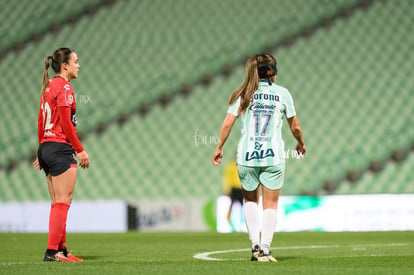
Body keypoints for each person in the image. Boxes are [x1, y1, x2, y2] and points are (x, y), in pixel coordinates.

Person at [212, 53, 306, 262]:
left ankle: (255, 245)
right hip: (273, 157)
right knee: (271, 205)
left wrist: (219, 147)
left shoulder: (244, 93)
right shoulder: (282, 94)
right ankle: (265, 248)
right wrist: (300, 143)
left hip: (247, 156)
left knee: (250, 201)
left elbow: (227, 123)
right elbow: (295, 126)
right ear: (273, 72)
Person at [32, 47, 90, 262]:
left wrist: (42, 149)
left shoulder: (48, 87)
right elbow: (66, 123)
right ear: (65, 65)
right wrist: (80, 150)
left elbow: (40, 120)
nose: (78, 65)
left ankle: (61, 250)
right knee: (63, 202)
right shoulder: (65, 87)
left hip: (47, 147)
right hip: (59, 148)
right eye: (76, 61)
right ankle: (52, 252)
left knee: (58, 201)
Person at [223, 153, 244, 231]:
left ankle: (241, 224)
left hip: (242, 189)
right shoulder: (230, 167)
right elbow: (227, 179)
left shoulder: (243, 166)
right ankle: (229, 222)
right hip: (234, 188)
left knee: (243, 207)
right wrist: (227, 190)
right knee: (231, 206)